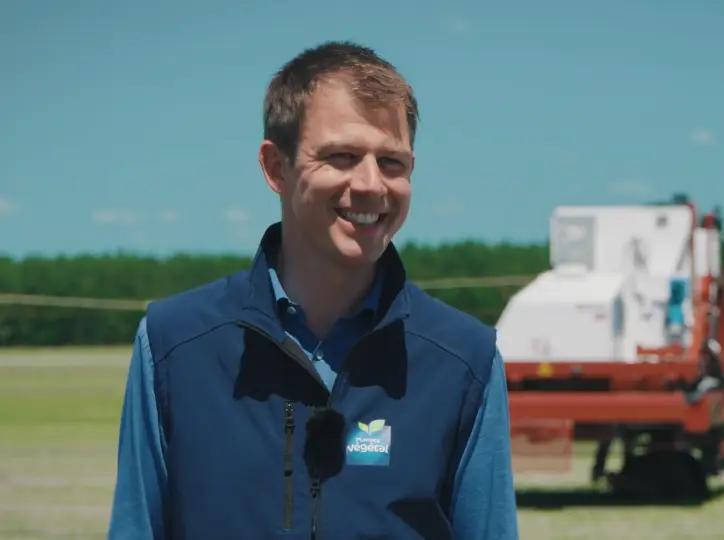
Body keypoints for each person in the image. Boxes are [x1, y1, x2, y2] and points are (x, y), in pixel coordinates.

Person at [107, 41, 519, 540]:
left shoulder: (465, 360)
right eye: (342, 156)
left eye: (392, 162)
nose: (371, 184)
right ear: (276, 167)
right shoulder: (173, 345)